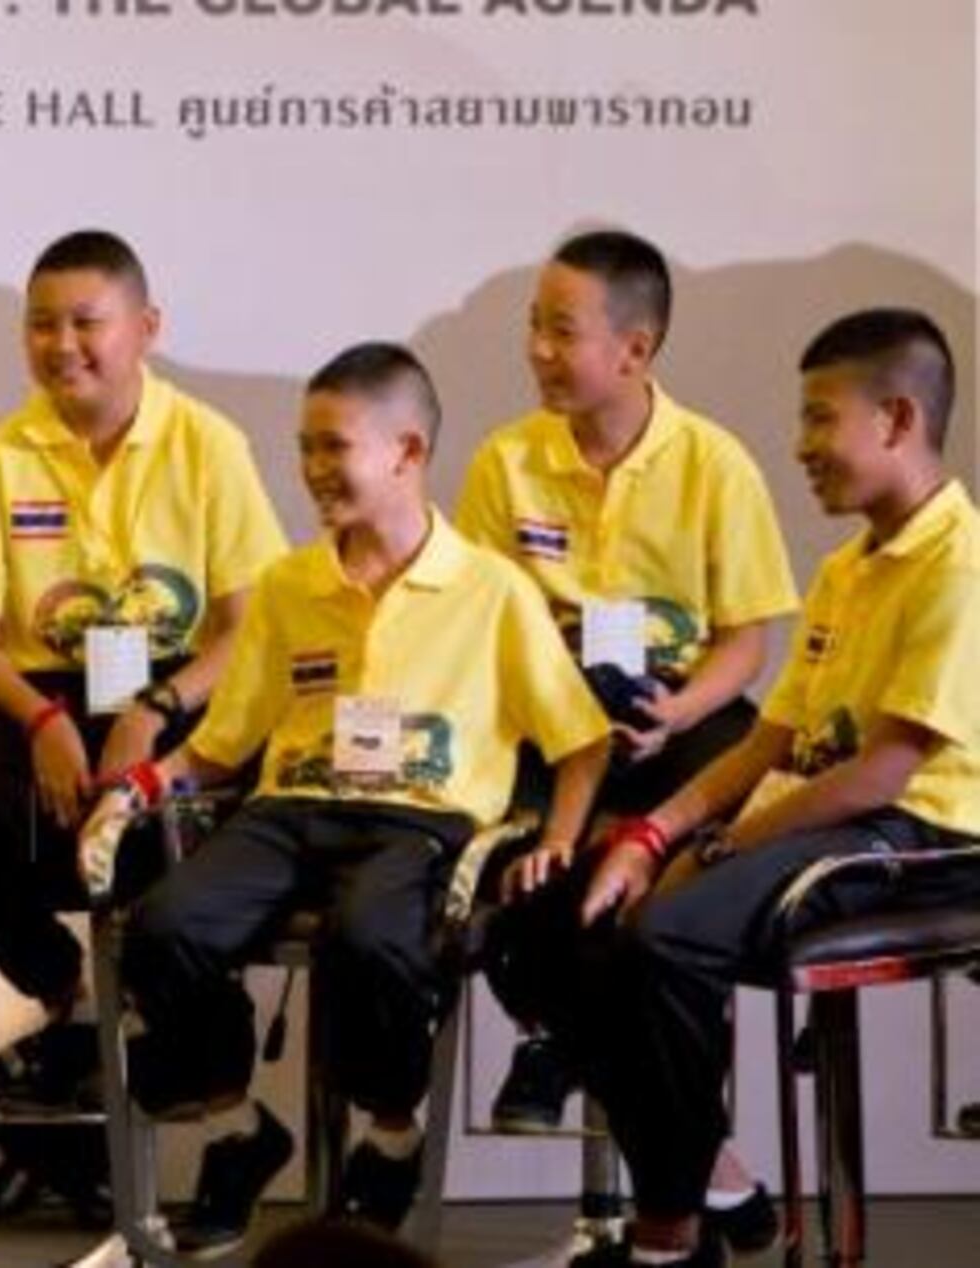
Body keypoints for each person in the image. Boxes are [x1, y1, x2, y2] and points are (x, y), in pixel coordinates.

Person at [103, 343, 609, 1257]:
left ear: (407, 452)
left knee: (372, 938)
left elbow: (582, 740)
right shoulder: (293, 584)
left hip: (421, 821)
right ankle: (237, 1128)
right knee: (163, 925)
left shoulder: (492, 590)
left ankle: (390, 1134)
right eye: (305, 448)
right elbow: (224, 746)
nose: (314, 470)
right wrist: (145, 784)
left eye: (335, 448)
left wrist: (559, 841)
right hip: (288, 810)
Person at [561, 309, 980, 1268]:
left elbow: (881, 770)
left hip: (918, 840)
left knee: (668, 934)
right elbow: (774, 740)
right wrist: (652, 836)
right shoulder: (845, 568)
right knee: (555, 923)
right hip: (830, 822)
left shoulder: (959, 565)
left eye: (819, 420)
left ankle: (668, 1231)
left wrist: (713, 852)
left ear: (897, 419)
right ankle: (717, 1183)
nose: (800, 447)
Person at [462, 228, 796, 1251]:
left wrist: (681, 710)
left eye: (561, 331)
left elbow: (748, 639)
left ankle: (657, 1196)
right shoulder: (504, 463)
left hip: (684, 723)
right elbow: (478, 625)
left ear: (635, 349)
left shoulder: (711, 461)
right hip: (552, 728)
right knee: (513, 886)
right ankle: (710, 1161)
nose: (537, 351)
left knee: (645, 927)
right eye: (533, 326)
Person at [0, 229, 285, 1100]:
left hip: (178, 687)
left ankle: (191, 1041)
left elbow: (252, 628)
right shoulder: (5, 455)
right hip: (43, 688)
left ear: (147, 328)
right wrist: (43, 721)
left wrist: (154, 707)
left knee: (168, 832)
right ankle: (69, 994)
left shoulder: (209, 445)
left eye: (86, 322)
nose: (61, 346)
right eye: (41, 325)